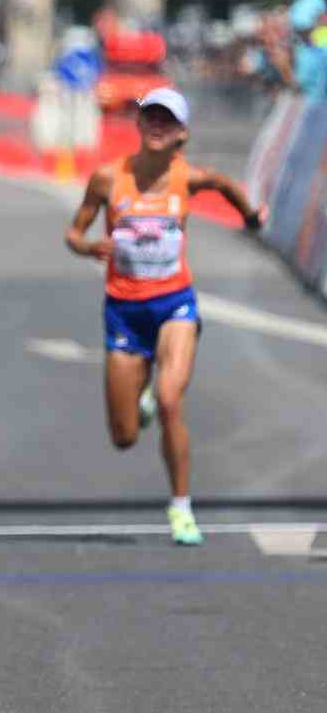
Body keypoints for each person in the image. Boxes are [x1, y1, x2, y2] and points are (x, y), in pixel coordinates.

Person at [64, 89, 267, 546]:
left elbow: (224, 185)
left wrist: (251, 216)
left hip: (174, 303)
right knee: (124, 436)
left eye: (167, 120)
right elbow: (73, 233)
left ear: (182, 133)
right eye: (150, 117)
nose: (157, 125)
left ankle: (181, 509)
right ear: (138, 125)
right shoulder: (106, 179)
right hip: (123, 310)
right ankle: (143, 403)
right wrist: (90, 247)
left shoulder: (188, 177)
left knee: (173, 399)